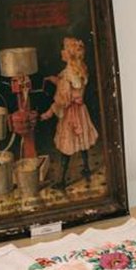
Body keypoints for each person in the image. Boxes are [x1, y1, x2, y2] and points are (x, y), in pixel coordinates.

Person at [41, 36, 99, 189]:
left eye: (64, 49)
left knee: (67, 145)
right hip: (81, 110)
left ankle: (61, 181)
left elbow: (63, 99)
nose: (62, 51)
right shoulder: (80, 68)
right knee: (82, 140)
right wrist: (55, 80)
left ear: (70, 55)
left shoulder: (68, 73)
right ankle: (86, 168)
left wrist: (49, 112)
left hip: (71, 113)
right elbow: (75, 88)